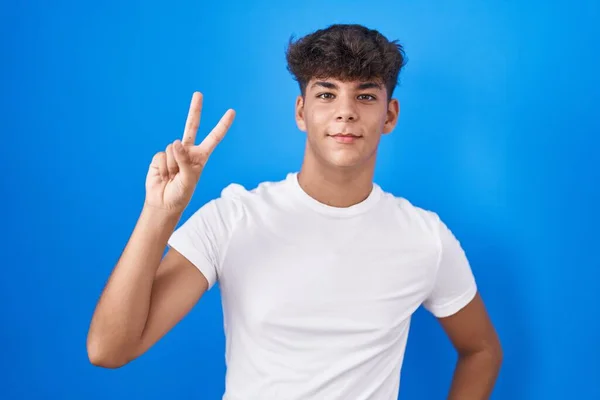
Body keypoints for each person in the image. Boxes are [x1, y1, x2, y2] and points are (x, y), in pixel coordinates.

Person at [87, 23, 502, 399]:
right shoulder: (233, 219)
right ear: (301, 111)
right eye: (326, 93)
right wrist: (160, 213)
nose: (346, 111)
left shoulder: (424, 237)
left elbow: (481, 350)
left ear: (389, 114)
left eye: (365, 95)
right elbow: (109, 350)